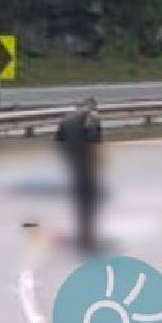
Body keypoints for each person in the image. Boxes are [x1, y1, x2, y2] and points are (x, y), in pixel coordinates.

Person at [54, 96, 104, 250]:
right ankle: (87, 239)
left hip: (72, 164)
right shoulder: (91, 118)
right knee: (89, 203)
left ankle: (80, 235)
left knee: (78, 202)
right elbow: (94, 140)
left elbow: (58, 140)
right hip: (85, 165)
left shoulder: (66, 119)